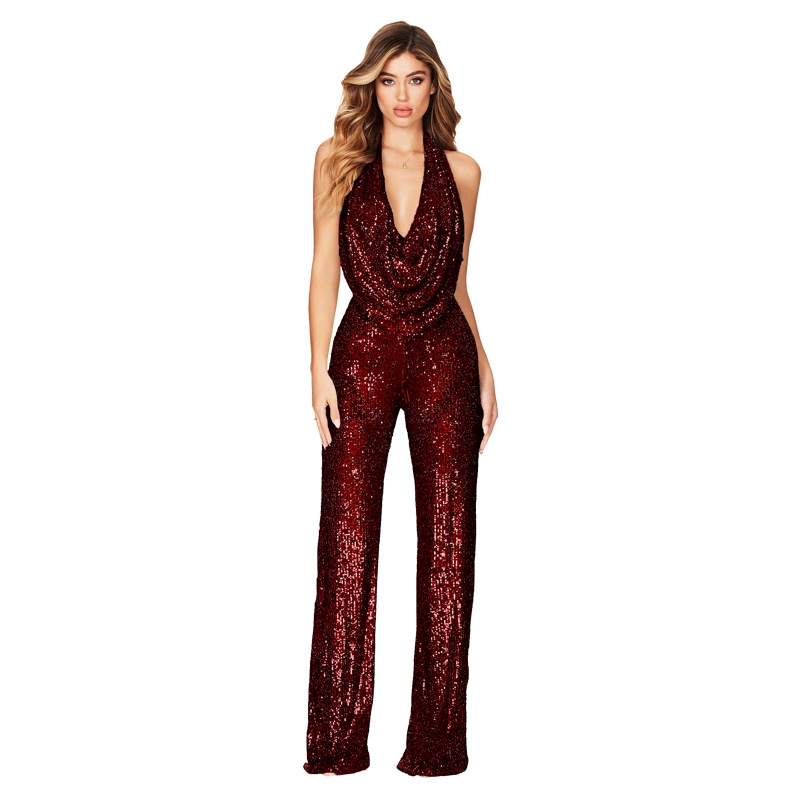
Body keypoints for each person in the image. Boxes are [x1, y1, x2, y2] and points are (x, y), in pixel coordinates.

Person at [303, 21, 498, 777]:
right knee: (347, 540)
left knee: (450, 546)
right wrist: (315, 367)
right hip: (361, 358)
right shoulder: (338, 159)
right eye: (388, 80)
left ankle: (437, 745)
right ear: (371, 86)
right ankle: (337, 742)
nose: (401, 95)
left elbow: (458, 282)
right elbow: (323, 267)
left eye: (415, 79)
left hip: (446, 358)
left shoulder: (465, 172)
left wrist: (485, 364)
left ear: (434, 84)